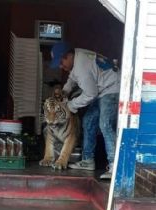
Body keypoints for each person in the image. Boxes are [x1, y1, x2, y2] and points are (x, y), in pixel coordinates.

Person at [49, 42, 120, 179]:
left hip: (112, 89)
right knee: (88, 121)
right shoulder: (77, 55)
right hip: (102, 89)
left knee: (104, 124)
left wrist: (70, 106)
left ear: (68, 56)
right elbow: (72, 78)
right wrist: (64, 92)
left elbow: (90, 94)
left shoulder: (82, 67)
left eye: (61, 62)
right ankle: (87, 160)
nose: (60, 66)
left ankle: (114, 166)